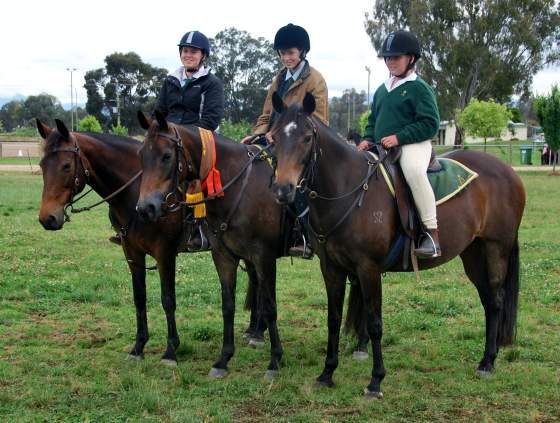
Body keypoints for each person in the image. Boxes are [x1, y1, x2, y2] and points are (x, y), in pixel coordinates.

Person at [110, 30, 224, 251]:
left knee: (194, 178)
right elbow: (159, 112)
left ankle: (198, 228)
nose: (188, 55)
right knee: (142, 168)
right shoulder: (170, 81)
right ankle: (128, 226)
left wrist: (179, 134)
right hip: (170, 139)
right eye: (185, 51)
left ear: (203, 55)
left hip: (200, 140)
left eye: (193, 51)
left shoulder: (212, 83)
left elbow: (210, 120)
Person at [241, 23, 328, 259]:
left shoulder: (315, 80)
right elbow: (266, 114)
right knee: (244, 161)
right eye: (282, 53)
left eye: (290, 52)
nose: (286, 58)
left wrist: (278, 133)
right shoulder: (278, 79)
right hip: (275, 139)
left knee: (294, 178)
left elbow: (317, 119)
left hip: (301, 142)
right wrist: (258, 132)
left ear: (302, 52)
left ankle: (302, 234)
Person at [358, 30, 441, 259]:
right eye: (388, 58)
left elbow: (430, 124)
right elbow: (373, 120)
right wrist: (367, 138)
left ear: (411, 58)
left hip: (414, 145)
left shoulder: (419, 88)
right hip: (383, 146)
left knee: (413, 171)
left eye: (396, 57)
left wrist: (399, 137)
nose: (391, 62)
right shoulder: (383, 89)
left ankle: (432, 234)